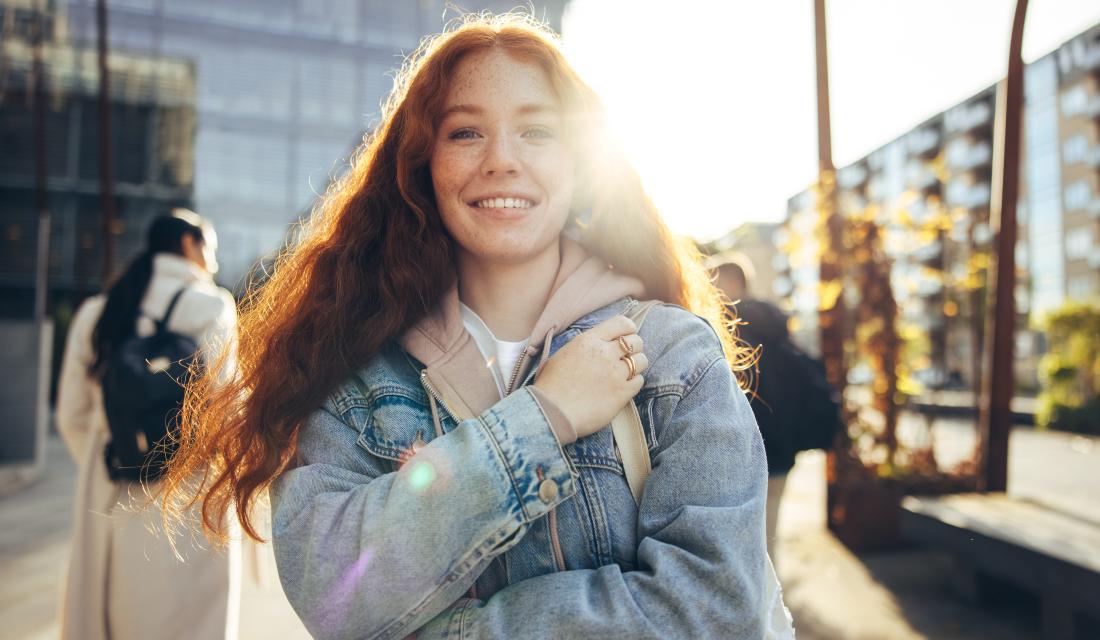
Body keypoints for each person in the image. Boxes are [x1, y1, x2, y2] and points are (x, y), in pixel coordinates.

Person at [162, 14, 793, 639]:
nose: (501, 162)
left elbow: (716, 612)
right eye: (465, 132)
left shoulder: (672, 356)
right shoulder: (354, 374)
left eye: (537, 131)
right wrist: (542, 418)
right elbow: (330, 594)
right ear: (421, 167)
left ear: (581, 167)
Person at [56, 210, 240, 640]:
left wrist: (120, 454)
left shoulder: (100, 312)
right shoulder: (212, 307)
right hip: (190, 494)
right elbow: (225, 407)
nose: (212, 261)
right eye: (209, 247)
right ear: (188, 245)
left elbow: (71, 415)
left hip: (111, 489)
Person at [712, 251, 840, 563]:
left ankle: (759, 609)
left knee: (738, 552)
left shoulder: (725, 332)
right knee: (768, 546)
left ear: (727, 283)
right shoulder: (777, 330)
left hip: (740, 458)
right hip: (781, 455)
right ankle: (772, 608)